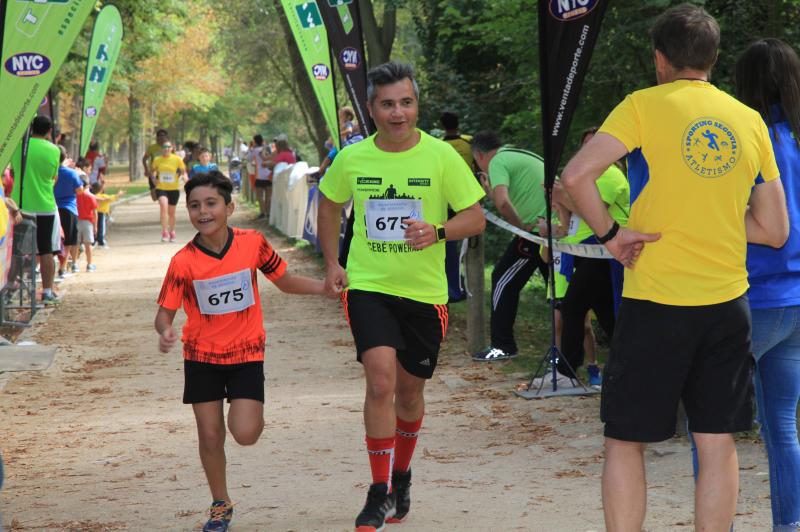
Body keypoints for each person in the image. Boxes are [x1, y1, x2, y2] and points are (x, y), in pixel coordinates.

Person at [559, 5, 789, 530]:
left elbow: (577, 177)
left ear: (659, 59)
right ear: (712, 58)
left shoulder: (642, 106)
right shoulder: (749, 120)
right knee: (716, 440)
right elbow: (775, 230)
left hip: (656, 300)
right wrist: (716, 223)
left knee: (625, 439)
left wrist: (613, 237)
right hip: (727, 304)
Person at [318, 61, 485, 531]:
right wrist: (334, 263)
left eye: (406, 103)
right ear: (371, 109)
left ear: (417, 106)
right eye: (387, 104)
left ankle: (402, 475)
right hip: (369, 284)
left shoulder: (441, 156)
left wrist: (437, 231)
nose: (397, 113)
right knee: (380, 381)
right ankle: (378, 493)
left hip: (425, 293)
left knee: (409, 394)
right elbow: (329, 205)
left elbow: (475, 218)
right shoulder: (352, 158)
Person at [155, 170, 324, 532]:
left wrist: (324, 287)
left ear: (229, 207)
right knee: (211, 435)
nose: (203, 212)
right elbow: (163, 314)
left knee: (245, 433)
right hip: (201, 357)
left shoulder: (252, 243)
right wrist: (166, 330)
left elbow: (286, 281)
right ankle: (220, 503)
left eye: (211, 203)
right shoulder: (183, 262)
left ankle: (250, 415)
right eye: (195, 205)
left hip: (247, 353)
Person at [731, 38, 800, 530]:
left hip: (756, 294)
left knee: (710, 428)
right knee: (783, 425)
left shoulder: (750, 142)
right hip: (797, 297)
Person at [534, 127, 629, 389]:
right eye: (585, 145)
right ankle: (627, 368)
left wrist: (563, 194)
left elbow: (595, 216)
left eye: (595, 144)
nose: (589, 150)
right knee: (609, 317)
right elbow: (570, 219)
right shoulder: (588, 176)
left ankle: (567, 372)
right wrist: (558, 201)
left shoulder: (610, 175)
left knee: (573, 306)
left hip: (605, 252)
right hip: (585, 253)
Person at [471, 131, 548, 361]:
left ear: (479, 154)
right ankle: (570, 352)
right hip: (551, 229)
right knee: (559, 293)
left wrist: (521, 227)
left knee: (502, 279)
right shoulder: (517, 154)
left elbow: (503, 202)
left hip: (534, 233)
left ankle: (502, 345)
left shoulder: (497, 162)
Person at [11, 116, 61, 304]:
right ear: (49, 131)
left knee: (16, 249)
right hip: (45, 205)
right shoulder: (54, 150)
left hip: (20, 206)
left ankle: (11, 286)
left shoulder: (19, 147)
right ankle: (47, 290)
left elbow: (14, 170)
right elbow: (53, 176)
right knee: (46, 249)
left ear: (31, 129)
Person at [54, 146, 84, 276]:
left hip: (53, 207)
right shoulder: (72, 173)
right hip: (69, 208)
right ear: (65, 157)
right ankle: (63, 267)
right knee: (69, 240)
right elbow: (80, 191)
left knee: (54, 239)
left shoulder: (52, 172)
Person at [150, 141, 186, 242]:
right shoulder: (157, 160)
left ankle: (172, 231)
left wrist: (184, 177)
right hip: (161, 187)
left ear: (172, 148)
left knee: (172, 213)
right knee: (163, 206)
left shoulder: (177, 159)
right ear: (162, 149)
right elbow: (152, 171)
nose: (166, 149)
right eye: (164, 147)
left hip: (173, 189)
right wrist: (154, 179)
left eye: (168, 147)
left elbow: (183, 171)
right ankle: (165, 231)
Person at [92, 181, 123, 249]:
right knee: (101, 228)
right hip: (102, 214)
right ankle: (101, 242)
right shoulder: (103, 196)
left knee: (95, 228)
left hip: (94, 214)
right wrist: (119, 194)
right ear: (101, 189)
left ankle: (94, 241)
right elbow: (112, 198)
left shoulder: (92, 196)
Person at [76, 177, 98, 272]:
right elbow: (95, 212)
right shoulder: (91, 196)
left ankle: (74, 264)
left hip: (76, 221)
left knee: (75, 244)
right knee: (88, 244)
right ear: (87, 186)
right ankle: (89, 264)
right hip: (87, 222)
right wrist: (95, 226)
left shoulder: (75, 196)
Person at [143, 129, 169, 201]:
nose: (161, 138)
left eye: (163, 136)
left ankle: (164, 201)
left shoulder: (169, 147)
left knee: (164, 194)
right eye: (159, 136)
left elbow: (175, 159)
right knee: (154, 197)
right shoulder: (152, 148)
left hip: (165, 172)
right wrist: (146, 170)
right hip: (153, 173)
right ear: (156, 137)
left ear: (166, 137)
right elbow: (144, 159)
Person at [249, 135, 270, 220]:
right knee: (268, 196)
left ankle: (262, 213)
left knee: (260, 196)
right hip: (269, 174)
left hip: (259, 176)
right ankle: (268, 213)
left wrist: (250, 149)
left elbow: (249, 159)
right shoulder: (267, 148)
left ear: (255, 141)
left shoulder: (255, 150)